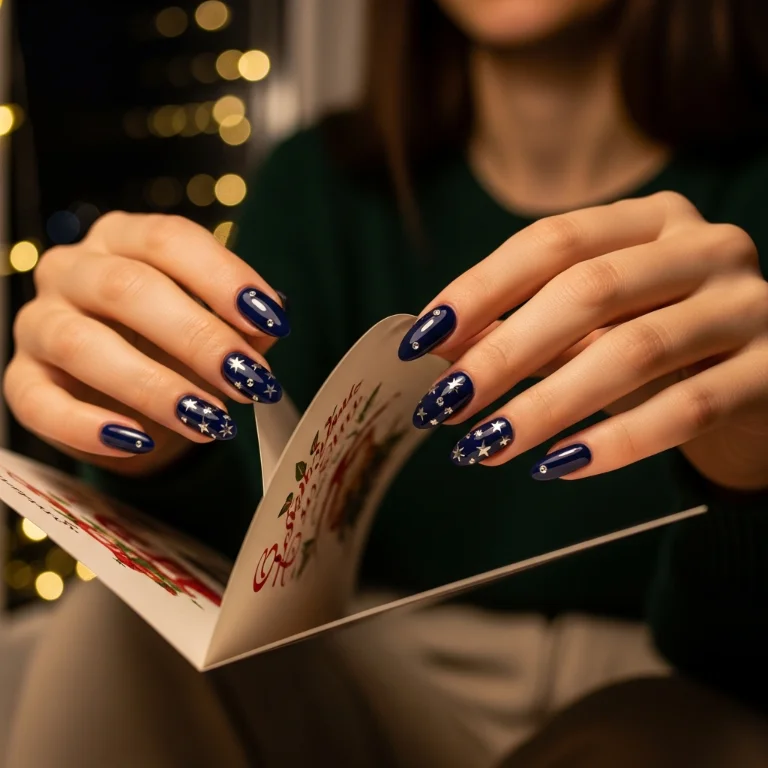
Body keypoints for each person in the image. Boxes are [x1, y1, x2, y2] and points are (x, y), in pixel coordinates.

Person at [5, 0, 768, 765]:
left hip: (681, 690)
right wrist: (155, 444)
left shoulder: (747, 213)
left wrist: (749, 477)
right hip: (368, 676)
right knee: (110, 626)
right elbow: (247, 576)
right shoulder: (319, 185)